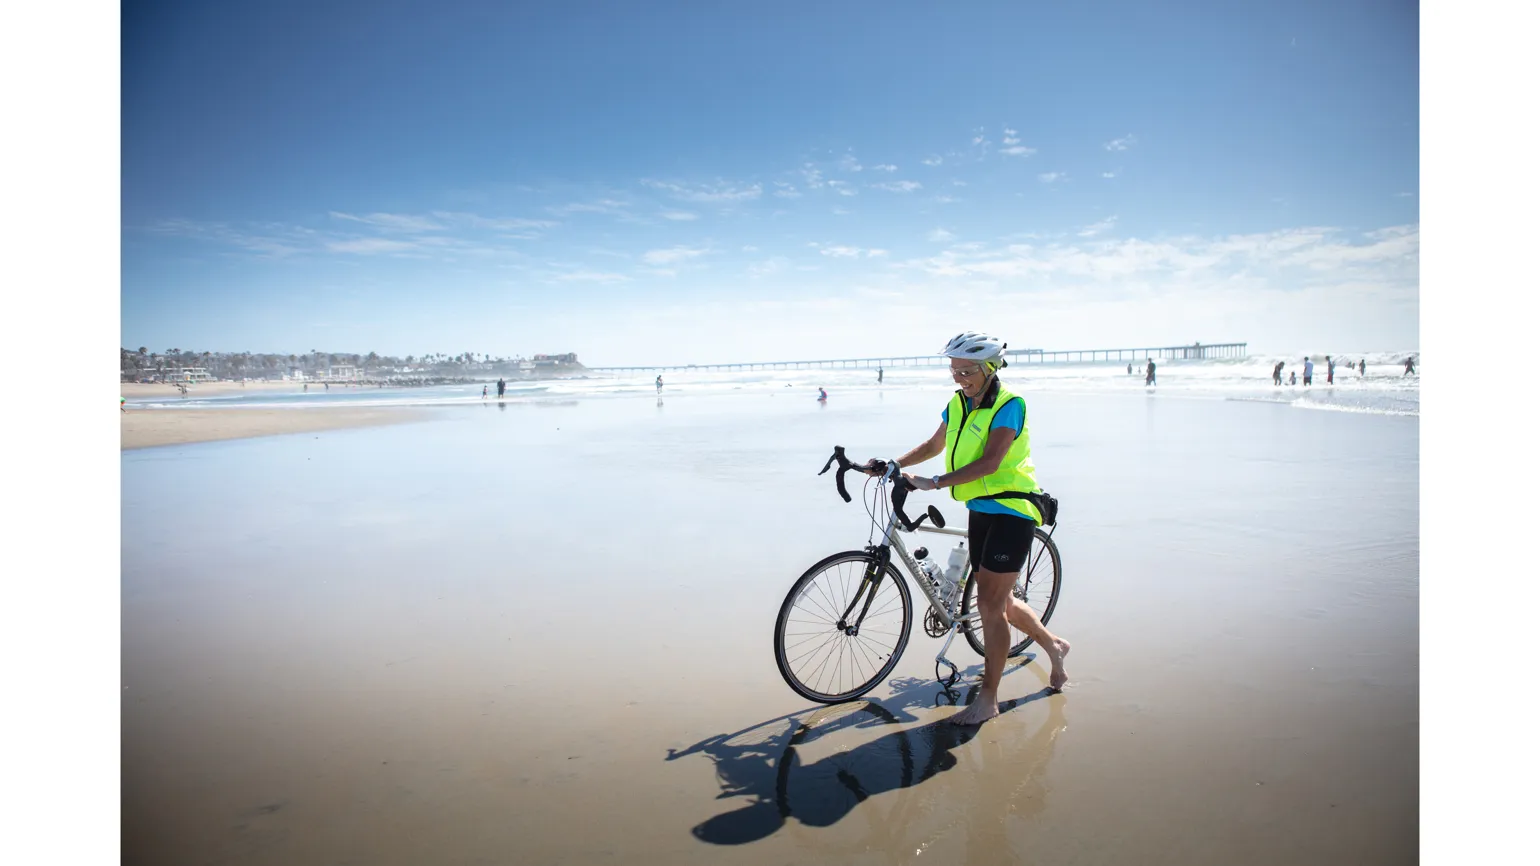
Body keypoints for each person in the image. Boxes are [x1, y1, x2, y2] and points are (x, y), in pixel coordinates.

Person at [864, 331, 1070, 725]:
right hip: (979, 507)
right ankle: (1054, 646)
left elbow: (992, 461)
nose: (960, 378)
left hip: (1013, 508)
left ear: (990, 368)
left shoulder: (1010, 404)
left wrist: (935, 482)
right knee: (1001, 603)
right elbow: (934, 444)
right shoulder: (958, 404)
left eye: (968, 371)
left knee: (989, 605)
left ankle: (988, 698)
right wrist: (897, 464)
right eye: (954, 370)